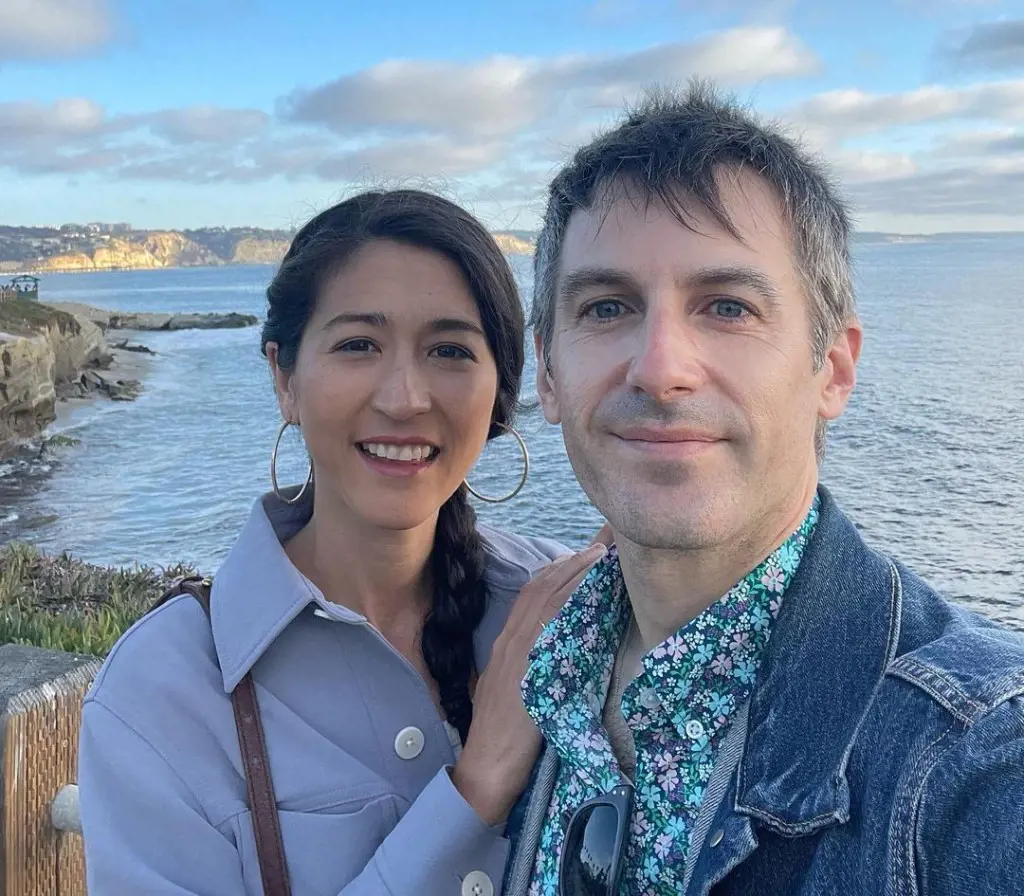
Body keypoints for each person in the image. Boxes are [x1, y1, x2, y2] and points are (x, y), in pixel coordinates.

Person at [505, 83, 1024, 896]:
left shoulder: (976, 757)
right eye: (607, 307)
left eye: (727, 306)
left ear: (833, 370)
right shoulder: (550, 679)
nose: (660, 368)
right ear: (548, 370)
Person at [78, 189, 610, 895]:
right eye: (359, 345)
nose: (404, 397)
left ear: (501, 392)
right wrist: (475, 786)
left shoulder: (564, 607)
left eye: (450, 350)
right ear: (283, 377)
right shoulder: (163, 692)